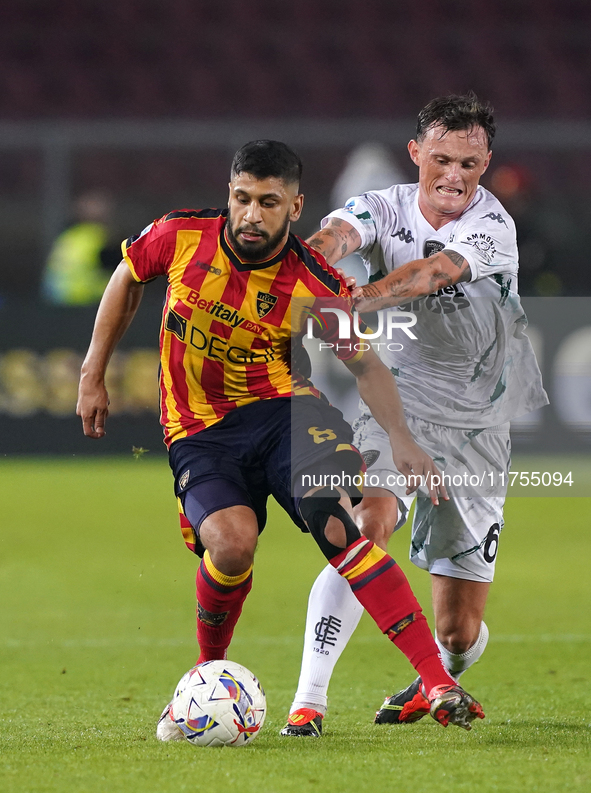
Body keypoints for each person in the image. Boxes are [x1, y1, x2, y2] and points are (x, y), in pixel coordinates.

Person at [76, 140, 485, 740]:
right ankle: (206, 673)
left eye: (268, 202)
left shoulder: (315, 281)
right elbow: (127, 275)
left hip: (283, 414)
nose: (250, 214)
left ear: (294, 209)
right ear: (229, 195)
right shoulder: (179, 235)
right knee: (233, 546)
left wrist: (403, 440)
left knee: (338, 525)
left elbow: (364, 365)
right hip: (199, 431)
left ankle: (438, 680)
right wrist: (93, 372)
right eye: (241, 198)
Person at [282, 95, 548, 737]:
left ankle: (441, 674)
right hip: (398, 402)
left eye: (470, 163)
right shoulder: (383, 205)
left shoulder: (493, 225)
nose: (455, 176)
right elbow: (338, 234)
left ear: (486, 164)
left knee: (458, 632)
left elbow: (433, 272)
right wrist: (306, 265)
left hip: (481, 426)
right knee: (366, 524)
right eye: (442, 159)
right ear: (415, 155)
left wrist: (353, 297)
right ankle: (308, 702)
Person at [41, 191, 121, 306]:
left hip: (57, 300)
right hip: (86, 301)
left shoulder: (68, 236)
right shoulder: (99, 238)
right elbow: (118, 270)